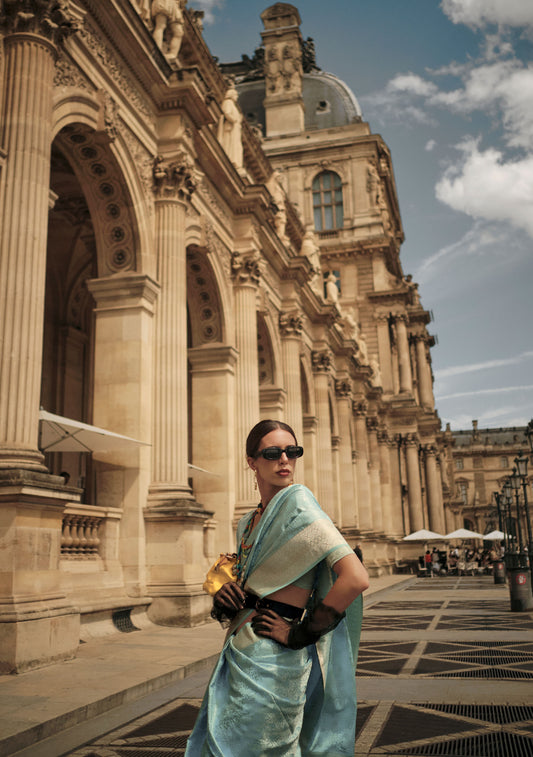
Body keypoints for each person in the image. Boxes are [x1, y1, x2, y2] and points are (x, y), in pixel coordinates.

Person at [185, 419, 369, 756]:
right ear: (251, 461)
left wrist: (300, 634)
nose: (284, 460)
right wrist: (224, 592)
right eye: (272, 453)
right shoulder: (248, 520)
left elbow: (355, 578)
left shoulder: (300, 504)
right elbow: (256, 581)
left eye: (292, 451)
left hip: (274, 659)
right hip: (240, 645)